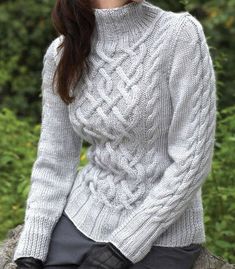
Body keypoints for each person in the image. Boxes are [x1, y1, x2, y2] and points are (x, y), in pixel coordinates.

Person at [13, 0, 217, 268]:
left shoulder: (179, 34)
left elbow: (192, 162)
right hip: (81, 218)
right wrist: (31, 246)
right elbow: (55, 159)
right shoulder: (62, 52)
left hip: (161, 232)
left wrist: (123, 248)